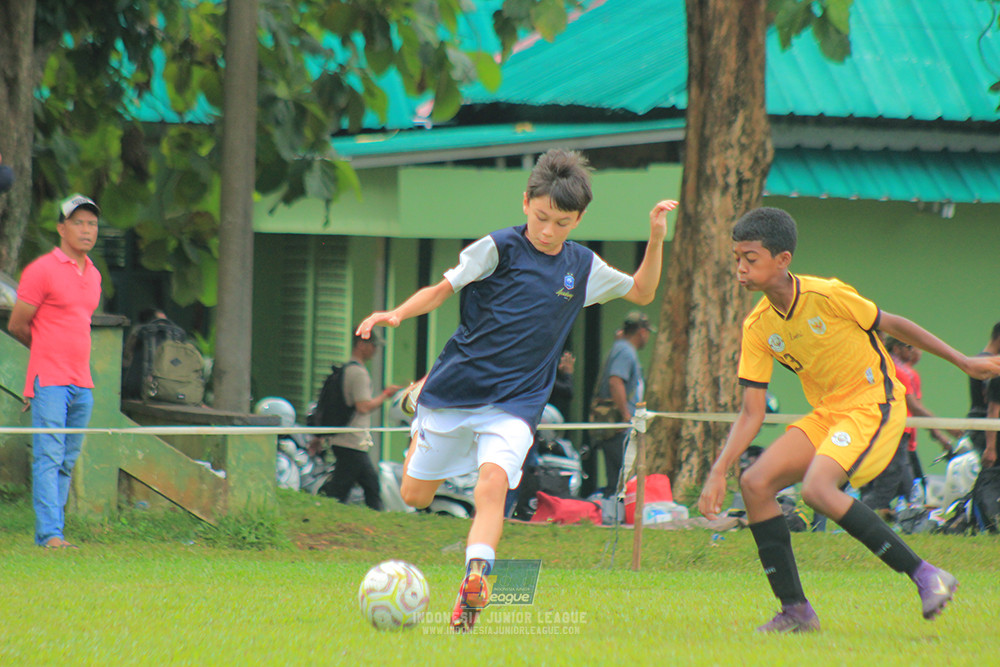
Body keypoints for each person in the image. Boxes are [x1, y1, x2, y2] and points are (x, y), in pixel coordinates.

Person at [357, 148, 677, 632]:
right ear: (525, 201)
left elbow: (642, 292)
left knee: (491, 487)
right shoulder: (497, 248)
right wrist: (397, 313)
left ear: (579, 219)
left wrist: (655, 238)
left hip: (516, 402)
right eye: (542, 217)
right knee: (415, 495)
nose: (549, 232)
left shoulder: (581, 266)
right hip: (456, 388)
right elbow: (443, 289)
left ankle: (475, 583)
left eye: (563, 223)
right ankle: (418, 395)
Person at [697, 206, 1000, 633]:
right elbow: (752, 410)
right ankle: (796, 611)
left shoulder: (826, 295)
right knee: (754, 483)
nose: (740, 268)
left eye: (750, 258)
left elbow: (893, 323)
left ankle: (926, 574)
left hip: (873, 402)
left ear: (782, 260)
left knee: (818, 489)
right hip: (828, 413)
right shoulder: (758, 326)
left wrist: (963, 362)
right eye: (736, 258)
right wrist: (719, 468)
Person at [8, 194, 102, 549]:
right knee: (49, 453)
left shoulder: (93, 274)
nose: (86, 229)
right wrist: (47, 350)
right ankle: (50, 535)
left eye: (91, 223)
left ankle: (54, 530)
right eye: (78, 222)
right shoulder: (41, 270)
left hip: (82, 380)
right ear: (61, 228)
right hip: (49, 377)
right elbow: (18, 324)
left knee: (67, 457)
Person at [317, 330, 401, 510]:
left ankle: (375, 514)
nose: (375, 350)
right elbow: (363, 406)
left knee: (369, 483)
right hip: (351, 440)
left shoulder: (348, 369)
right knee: (343, 487)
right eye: (373, 345)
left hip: (347, 439)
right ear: (361, 345)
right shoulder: (359, 373)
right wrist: (386, 395)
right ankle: (325, 510)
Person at [591, 311, 654, 496]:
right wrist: (626, 415)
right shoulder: (625, 351)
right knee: (623, 475)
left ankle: (613, 517)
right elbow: (615, 381)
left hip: (615, 426)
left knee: (617, 479)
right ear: (641, 332)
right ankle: (616, 518)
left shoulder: (621, 348)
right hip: (619, 425)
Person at [965, 321, 1000, 466]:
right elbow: (992, 406)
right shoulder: (991, 365)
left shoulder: (977, 361)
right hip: (987, 432)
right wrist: (991, 447)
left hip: (978, 427)